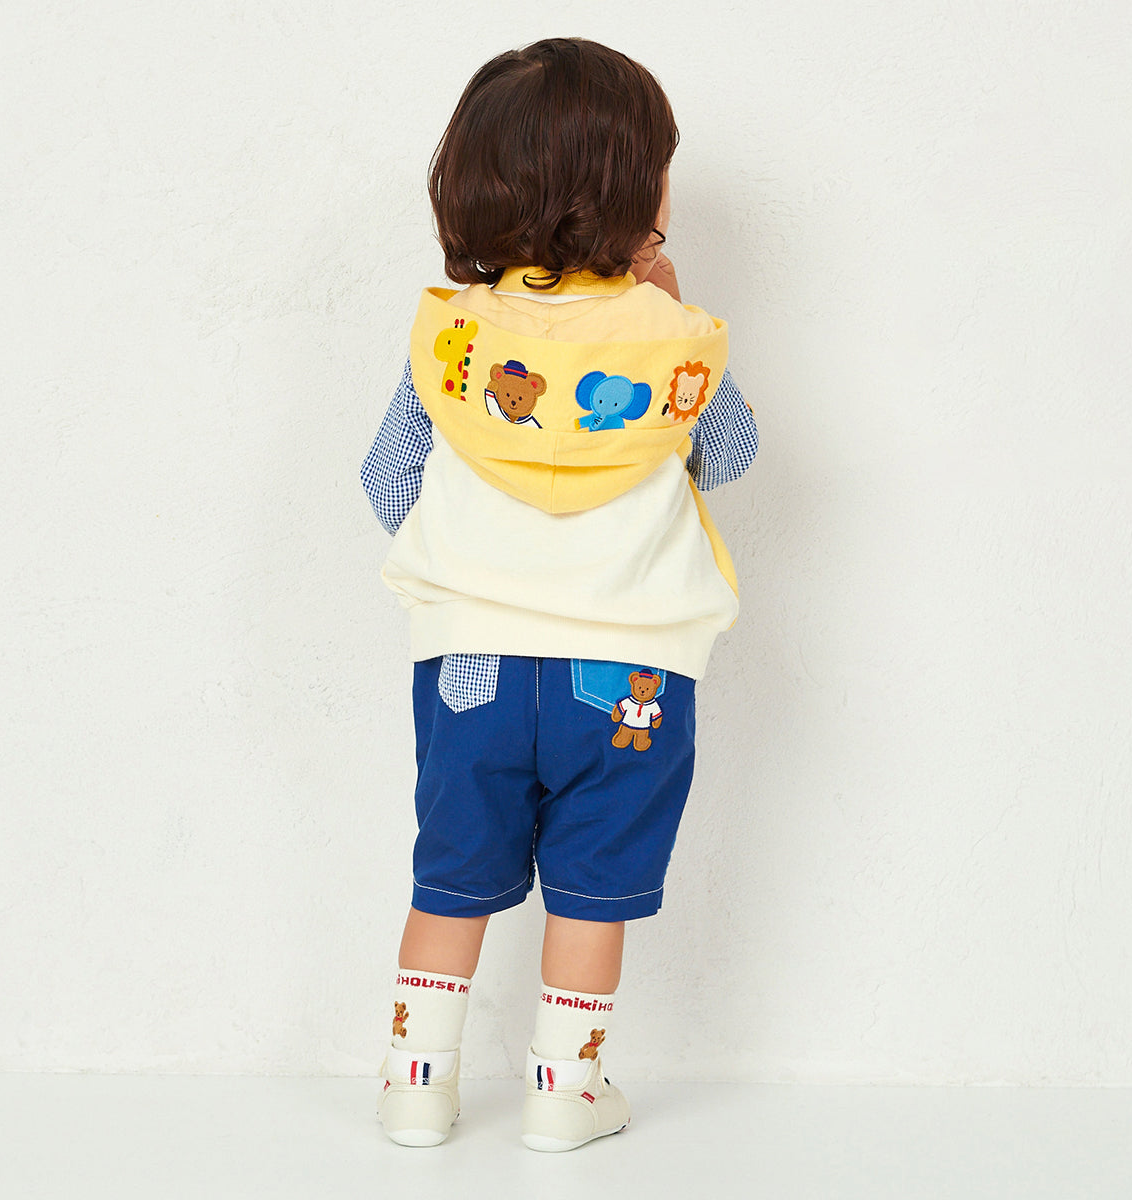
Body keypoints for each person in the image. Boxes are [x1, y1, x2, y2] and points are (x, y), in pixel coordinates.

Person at [360, 37, 758, 1152]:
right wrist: (670, 311)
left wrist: (483, 558)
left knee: (451, 873)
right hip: (629, 672)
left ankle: (414, 1087)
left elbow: (388, 481)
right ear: (634, 193)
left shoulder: (452, 340)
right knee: (592, 885)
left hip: (471, 661)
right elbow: (730, 452)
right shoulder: (672, 340)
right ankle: (562, 1095)